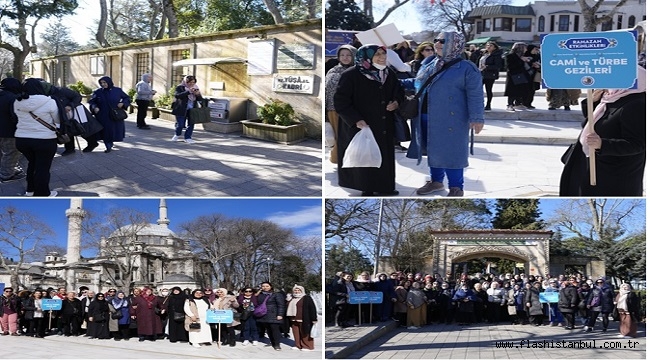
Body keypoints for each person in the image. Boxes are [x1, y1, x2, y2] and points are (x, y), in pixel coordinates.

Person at [404, 32, 484, 197]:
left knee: (452, 151)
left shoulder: (467, 68)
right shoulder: (430, 63)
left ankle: (456, 187)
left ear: (455, 44)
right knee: (434, 149)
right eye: (437, 40)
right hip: (426, 115)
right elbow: (417, 81)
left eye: (443, 41)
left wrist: (477, 117)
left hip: (452, 118)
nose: (438, 43)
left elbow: (475, 94)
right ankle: (436, 182)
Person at [559, 66, 646, 196]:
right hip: (590, 165)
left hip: (612, 175)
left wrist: (602, 144)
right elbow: (591, 124)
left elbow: (637, 144)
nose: (604, 84)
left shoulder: (636, 105)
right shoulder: (611, 97)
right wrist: (592, 102)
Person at [334, 44, 403, 196]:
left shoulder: (388, 73)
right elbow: (340, 101)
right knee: (366, 157)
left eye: (383, 54)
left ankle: (385, 187)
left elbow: (399, 92)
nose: (382, 57)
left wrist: (396, 102)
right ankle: (367, 188)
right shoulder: (351, 75)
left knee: (384, 156)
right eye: (377, 54)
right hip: (361, 125)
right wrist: (355, 119)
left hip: (384, 124)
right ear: (366, 57)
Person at [13, 78, 60, 197]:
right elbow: (57, 120)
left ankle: (30, 190)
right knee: (42, 168)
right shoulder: (49, 101)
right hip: (44, 140)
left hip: (22, 140)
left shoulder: (17, 102)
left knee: (32, 164)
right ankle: (43, 194)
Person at [325, 45, 357, 164]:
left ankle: (350, 161)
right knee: (337, 136)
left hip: (352, 110)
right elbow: (326, 90)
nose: (345, 57)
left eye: (349, 55)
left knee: (350, 136)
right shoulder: (332, 71)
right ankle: (338, 160)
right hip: (333, 109)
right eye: (342, 55)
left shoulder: (358, 71)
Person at [88, 76, 130, 153]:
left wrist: (123, 103)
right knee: (106, 131)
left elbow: (127, 98)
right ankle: (108, 145)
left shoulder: (117, 90)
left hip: (115, 114)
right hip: (103, 115)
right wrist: (95, 107)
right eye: (101, 83)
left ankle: (111, 142)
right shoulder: (98, 92)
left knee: (113, 130)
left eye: (105, 82)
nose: (103, 84)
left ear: (109, 82)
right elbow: (92, 101)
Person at [0, 77, 25, 182]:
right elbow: (15, 116)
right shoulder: (13, 98)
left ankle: (4, 170)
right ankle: (6, 175)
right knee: (11, 153)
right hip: (9, 131)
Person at [171, 75, 203, 144]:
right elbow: (177, 95)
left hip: (192, 109)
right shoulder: (180, 87)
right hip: (181, 109)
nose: (192, 84)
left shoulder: (196, 88)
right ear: (186, 81)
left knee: (191, 124)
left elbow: (200, 99)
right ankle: (177, 134)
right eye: (190, 82)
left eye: (193, 82)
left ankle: (188, 137)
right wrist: (188, 92)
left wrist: (197, 95)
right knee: (181, 125)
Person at [255, 282, 286, 351]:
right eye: (263, 286)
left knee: (275, 329)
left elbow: (281, 305)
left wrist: (280, 314)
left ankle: (277, 344)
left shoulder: (277, 295)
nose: (265, 287)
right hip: (264, 315)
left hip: (274, 314)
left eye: (267, 286)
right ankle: (272, 342)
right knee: (268, 330)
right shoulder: (260, 295)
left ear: (271, 287)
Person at [285, 285, 317, 351]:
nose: (297, 292)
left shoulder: (306, 298)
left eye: (298, 290)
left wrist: (314, 318)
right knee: (296, 333)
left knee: (305, 332)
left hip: (304, 319)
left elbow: (312, 308)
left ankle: (307, 346)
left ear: (302, 291)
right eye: (295, 290)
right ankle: (298, 345)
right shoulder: (291, 298)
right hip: (293, 319)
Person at [504, 42, 533, 111]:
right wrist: (521, 60)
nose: (526, 50)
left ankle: (518, 103)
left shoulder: (522, 56)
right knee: (512, 91)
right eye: (525, 48)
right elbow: (510, 67)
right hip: (514, 76)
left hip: (522, 76)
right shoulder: (511, 56)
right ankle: (510, 104)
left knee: (520, 91)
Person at [478, 42, 503, 111]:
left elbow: (498, 66)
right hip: (481, 73)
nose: (488, 47)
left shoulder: (496, 55)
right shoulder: (484, 54)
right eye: (487, 45)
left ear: (494, 47)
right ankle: (478, 103)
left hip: (490, 75)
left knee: (488, 89)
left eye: (491, 46)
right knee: (477, 89)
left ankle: (488, 104)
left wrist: (487, 67)